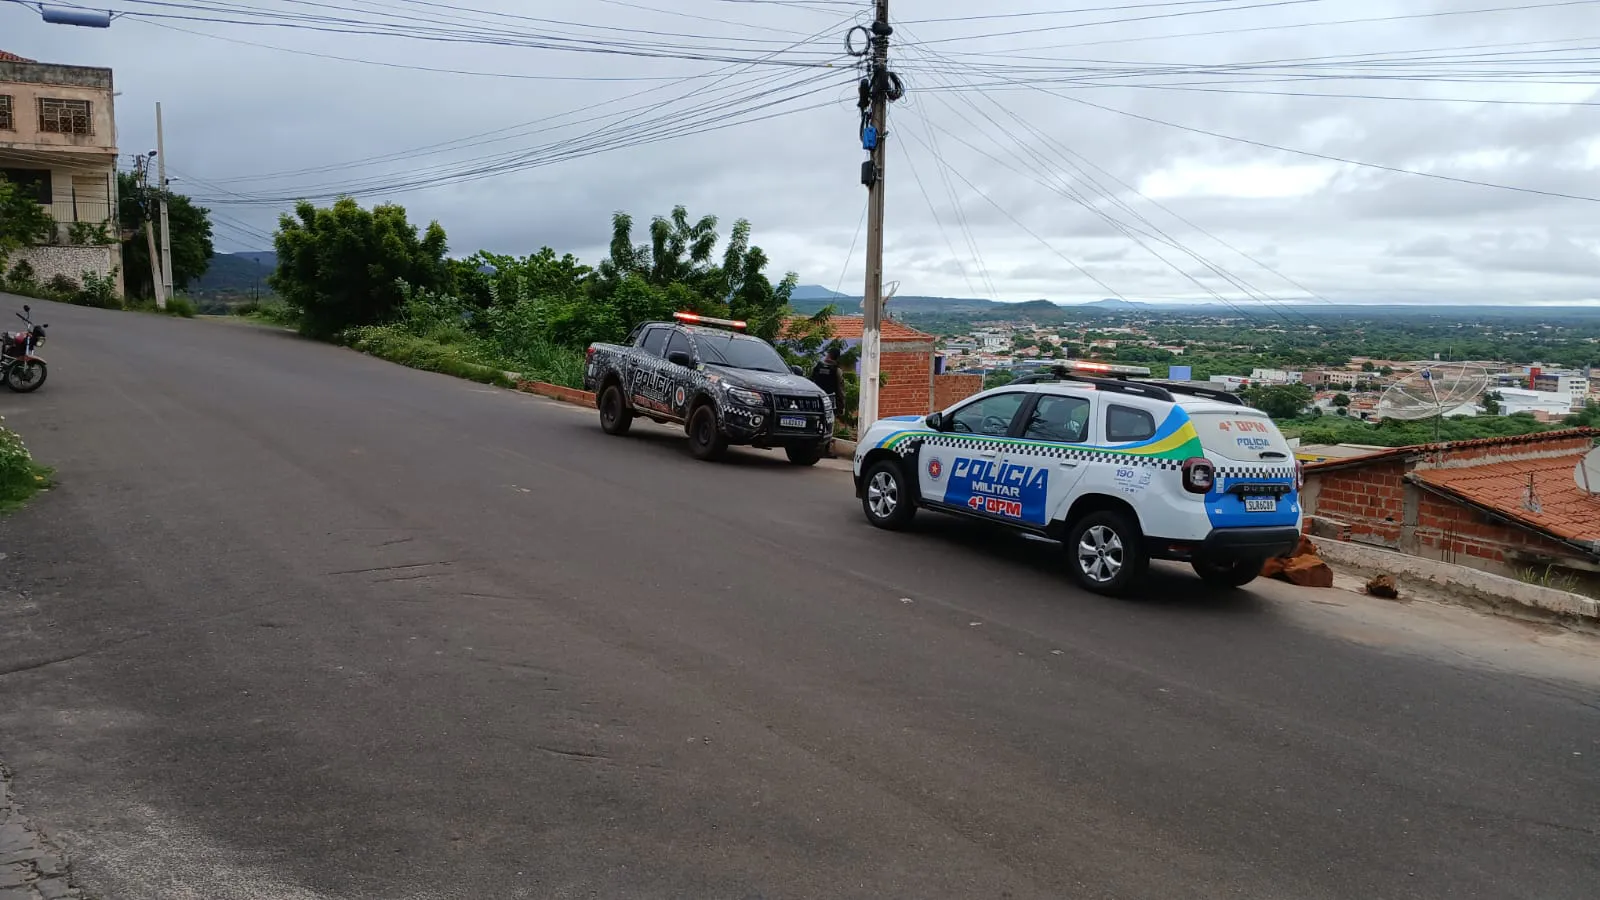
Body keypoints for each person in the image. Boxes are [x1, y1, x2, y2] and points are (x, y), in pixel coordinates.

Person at [810, 348, 846, 416]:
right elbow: (841, 391)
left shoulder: (818, 367)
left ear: (828, 355)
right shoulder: (837, 371)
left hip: (817, 400)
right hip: (830, 403)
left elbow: (810, 381)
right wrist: (842, 405)